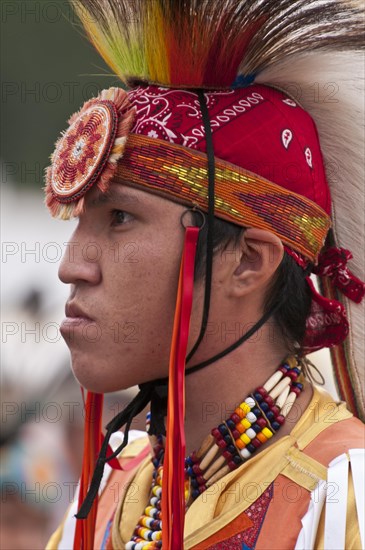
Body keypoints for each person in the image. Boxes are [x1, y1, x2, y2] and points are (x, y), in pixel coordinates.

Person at [45, 1, 365, 548]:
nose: (71, 267)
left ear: (248, 260)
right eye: (80, 223)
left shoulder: (340, 494)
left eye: (120, 218)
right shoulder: (105, 498)